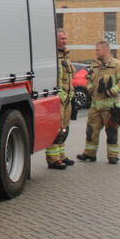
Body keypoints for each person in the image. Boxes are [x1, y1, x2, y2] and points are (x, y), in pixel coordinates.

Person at [77, 40, 120, 165]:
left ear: (105, 50)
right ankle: (89, 154)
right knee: (91, 131)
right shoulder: (94, 65)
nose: (95, 52)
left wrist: (110, 91)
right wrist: (90, 88)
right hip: (95, 106)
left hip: (111, 107)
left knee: (112, 132)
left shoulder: (117, 65)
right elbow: (89, 80)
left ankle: (113, 156)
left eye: (98, 50)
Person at [46, 29, 76, 169]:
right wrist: (61, 95)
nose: (64, 41)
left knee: (64, 129)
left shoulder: (65, 56)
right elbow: (53, 78)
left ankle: (61, 155)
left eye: (65, 38)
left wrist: (71, 95)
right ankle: (53, 159)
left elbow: (70, 78)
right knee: (56, 129)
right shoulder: (52, 56)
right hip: (59, 98)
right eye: (62, 38)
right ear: (56, 39)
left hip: (67, 99)